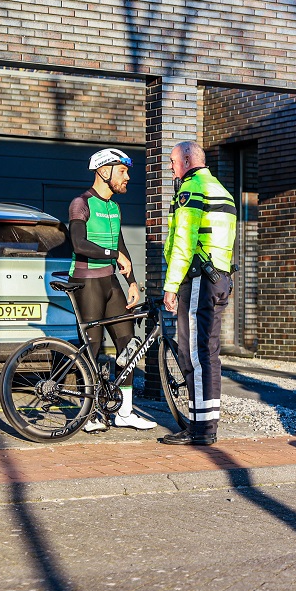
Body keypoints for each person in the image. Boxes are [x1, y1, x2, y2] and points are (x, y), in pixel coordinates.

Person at [69, 148, 156, 432]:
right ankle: (90, 413)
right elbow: (79, 244)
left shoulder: (114, 207)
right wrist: (112, 254)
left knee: (128, 346)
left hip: (111, 283)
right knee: (92, 349)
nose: (127, 177)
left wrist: (132, 283)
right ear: (103, 172)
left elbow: (121, 249)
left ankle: (125, 412)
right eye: (122, 171)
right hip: (87, 282)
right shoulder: (81, 203)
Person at [159, 142, 237, 446]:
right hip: (220, 279)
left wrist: (171, 285)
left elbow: (184, 240)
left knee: (193, 352)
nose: (170, 167)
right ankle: (205, 424)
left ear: (188, 160)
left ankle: (200, 430)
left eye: (172, 161)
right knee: (209, 352)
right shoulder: (221, 190)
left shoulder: (191, 190)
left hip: (199, 281)